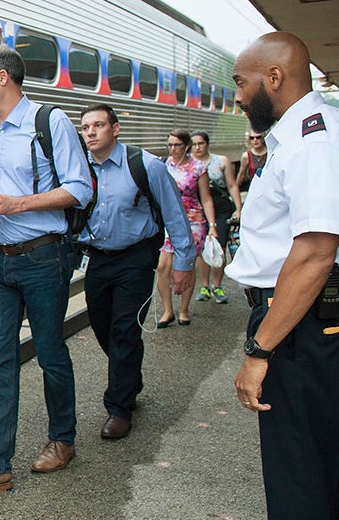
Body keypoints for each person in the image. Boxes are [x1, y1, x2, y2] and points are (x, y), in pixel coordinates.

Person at [0, 44, 93, 496]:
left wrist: (16, 204)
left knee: (49, 353)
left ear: (3, 78)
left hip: (44, 256)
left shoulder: (50, 122)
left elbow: (79, 188)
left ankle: (63, 440)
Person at [228, 31, 339, 520]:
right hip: (310, 314)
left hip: (302, 316)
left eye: (242, 82)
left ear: (274, 78)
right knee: (311, 444)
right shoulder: (318, 129)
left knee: (296, 451)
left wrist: (259, 351)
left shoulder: (314, 141)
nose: (237, 95)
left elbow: (315, 253)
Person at [76, 105, 194, 440]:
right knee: (102, 326)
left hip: (136, 259)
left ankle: (119, 408)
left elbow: (174, 214)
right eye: (86, 127)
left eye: (99, 125)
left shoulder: (145, 165)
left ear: (115, 129)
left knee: (124, 329)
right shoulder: (79, 169)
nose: (91, 132)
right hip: (98, 259)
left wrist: (183, 263)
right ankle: (130, 378)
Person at [154, 129, 216, 327]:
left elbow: (205, 198)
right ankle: (167, 310)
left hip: (193, 220)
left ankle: (184, 310)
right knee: (163, 265)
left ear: (186, 146)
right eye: (169, 144)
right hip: (168, 220)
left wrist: (212, 225)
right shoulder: (163, 165)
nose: (172, 149)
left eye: (177, 145)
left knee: (186, 264)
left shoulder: (198, 167)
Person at [189, 130, 242, 303]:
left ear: (207, 144)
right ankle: (204, 286)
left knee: (218, 245)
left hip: (221, 207)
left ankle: (217, 286)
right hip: (198, 207)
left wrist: (238, 209)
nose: (197, 147)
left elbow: (232, 185)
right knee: (201, 247)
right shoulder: (188, 163)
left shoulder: (221, 161)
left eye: (201, 143)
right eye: (194, 144)